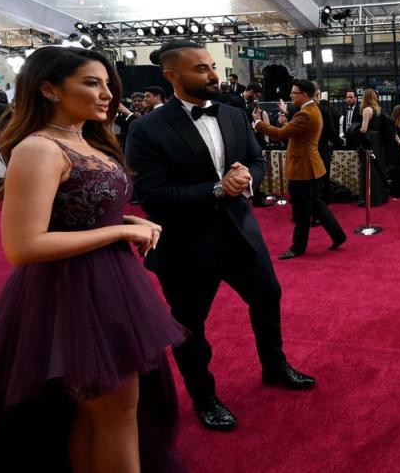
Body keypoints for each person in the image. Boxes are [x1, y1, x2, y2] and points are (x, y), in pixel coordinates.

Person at [0, 46, 187, 471]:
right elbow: (23, 246)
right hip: (75, 292)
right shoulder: (41, 147)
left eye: (107, 84)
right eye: (91, 82)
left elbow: (72, 207)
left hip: (105, 284)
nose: (107, 94)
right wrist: (123, 229)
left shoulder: (80, 139)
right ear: (49, 88)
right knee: (115, 414)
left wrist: (119, 216)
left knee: (102, 415)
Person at [125, 41, 314, 432]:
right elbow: (152, 196)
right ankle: (204, 397)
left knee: (268, 298)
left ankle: (275, 367)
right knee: (191, 326)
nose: (213, 74)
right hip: (186, 244)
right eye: (201, 69)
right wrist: (216, 190)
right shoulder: (146, 129)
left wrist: (248, 180)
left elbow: (257, 160)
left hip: (242, 235)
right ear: (171, 76)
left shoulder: (233, 113)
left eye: (212, 66)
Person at [254, 79, 346, 260]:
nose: (290, 95)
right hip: (309, 166)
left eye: (294, 92)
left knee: (301, 210)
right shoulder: (311, 111)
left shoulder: (306, 114)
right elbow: (292, 132)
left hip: (304, 168)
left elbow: (281, 135)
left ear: (304, 94)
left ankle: (298, 247)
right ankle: (338, 235)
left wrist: (258, 123)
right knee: (316, 205)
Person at [358, 89, 390, 206]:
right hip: (379, 142)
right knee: (378, 169)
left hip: (370, 141)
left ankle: (368, 198)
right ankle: (379, 197)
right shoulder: (379, 110)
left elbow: (364, 129)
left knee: (368, 169)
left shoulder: (367, 110)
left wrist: (355, 129)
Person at [314, 87, 341, 198]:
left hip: (312, 148)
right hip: (323, 147)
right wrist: (337, 142)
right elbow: (332, 131)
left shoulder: (304, 109)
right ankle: (324, 200)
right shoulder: (326, 110)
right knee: (324, 175)